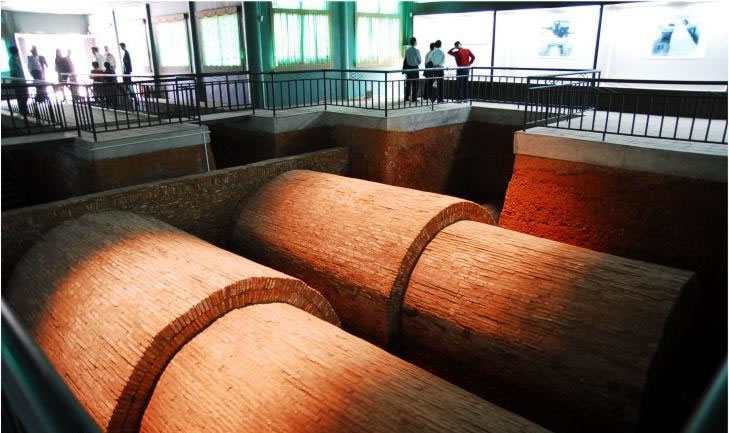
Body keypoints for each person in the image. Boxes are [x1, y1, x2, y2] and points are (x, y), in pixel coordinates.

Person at [8, 46, 28, 115]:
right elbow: (13, 72)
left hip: (21, 80)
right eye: (17, 52)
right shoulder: (12, 60)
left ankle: (24, 110)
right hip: (18, 82)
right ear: (15, 52)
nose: (18, 53)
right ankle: (23, 110)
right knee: (21, 96)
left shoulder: (15, 59)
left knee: (24, 95)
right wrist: (14, 81)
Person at [403, 37, 421, 103]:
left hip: (408, 68)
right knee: (415, 84)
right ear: (415, 42)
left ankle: (406, 97)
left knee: (408, 83)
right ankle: (414, 98)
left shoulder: (407, 50)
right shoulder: (417, 51)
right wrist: (415, 62)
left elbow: (406, 59)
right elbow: (419, 61)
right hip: (415, 68)